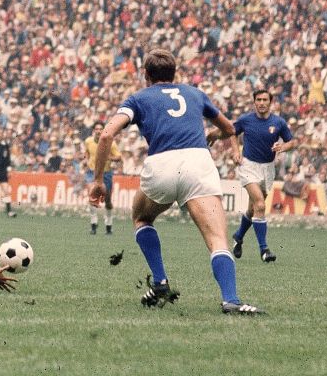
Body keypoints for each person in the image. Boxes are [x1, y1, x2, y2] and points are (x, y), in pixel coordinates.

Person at [89, 49, 265, 315]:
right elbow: (230, 128)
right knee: (217, 239)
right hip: (198, 162)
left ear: (146, 75)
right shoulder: (195, 94)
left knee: (141, 218)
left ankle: (160, 281)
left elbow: (105, 136)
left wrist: (99, 180)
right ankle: (230, 299)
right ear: (176, 74)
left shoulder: (137, 98)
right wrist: (216, 138)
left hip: (162, 164)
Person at [227, 89, 295, 262]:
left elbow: (292, 141)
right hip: (248, 166)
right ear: (254, 102)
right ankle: (264, 250)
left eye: (265, 99)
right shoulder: (246, 119)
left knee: (253, 209)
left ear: (270, 102)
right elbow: (232, 133)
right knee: (260, 204)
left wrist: (282, 147)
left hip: (268, 168)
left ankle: (238, 236)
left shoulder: (278, 122)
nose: (262, 102)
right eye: (259, 99)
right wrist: (236, 151)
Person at [84, 128, 121, 235]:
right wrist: (86, 160)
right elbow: (87, 152)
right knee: (92, 196)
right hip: (92, 172)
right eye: (96, 129)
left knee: (107, 200)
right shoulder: (88, 141)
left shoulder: (111, 143)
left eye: (101, 129)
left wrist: (108, 157)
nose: (98, 131)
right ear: (93, 132)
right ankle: (93, 225)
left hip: (106, 173)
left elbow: (118, 157)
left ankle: (109, 225)